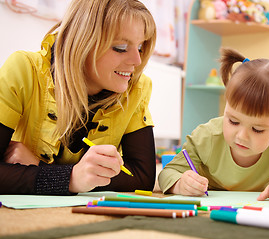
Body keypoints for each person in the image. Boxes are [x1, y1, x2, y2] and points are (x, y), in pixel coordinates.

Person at [0, 0, 157, 195]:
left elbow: (142, 177)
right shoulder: (23, 70)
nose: (137, 60)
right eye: (121, 47)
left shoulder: (137, 88)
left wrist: (52, 172)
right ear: (82, 42)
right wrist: (72, 178)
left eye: (140, 47)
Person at [159, 48, 269, 206]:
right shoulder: (205, 137)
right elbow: (168, 173)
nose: (241, 136)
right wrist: (180, 184)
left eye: (257, 129)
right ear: (227, 105)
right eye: (233, 121)